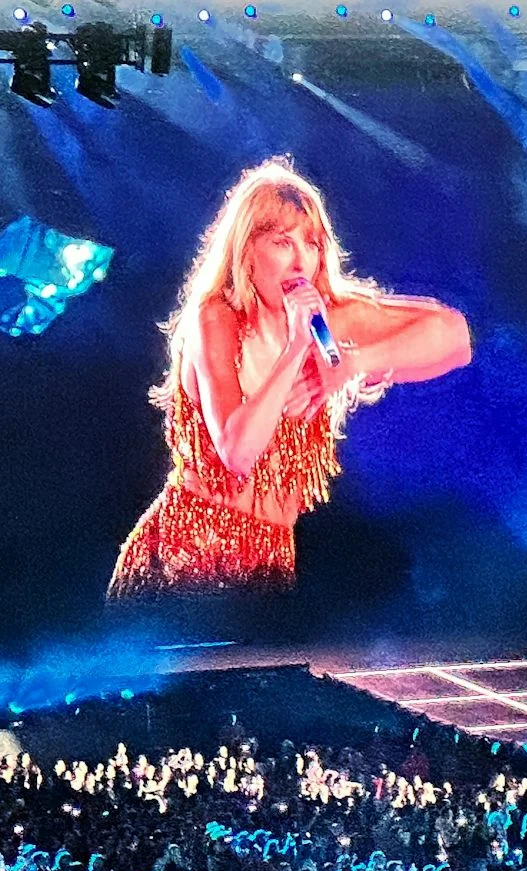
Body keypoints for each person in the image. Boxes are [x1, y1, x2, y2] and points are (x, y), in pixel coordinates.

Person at [109, 157, 471, 597]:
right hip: (186, 553)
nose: (301, 261)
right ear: (247, 251)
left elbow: (454, 337)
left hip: (271, 561)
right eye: (283, 242)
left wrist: (356, 363)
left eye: (313, 244)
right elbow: (237, 452)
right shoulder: (217, 319)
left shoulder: (330, 314)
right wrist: (298, 346)